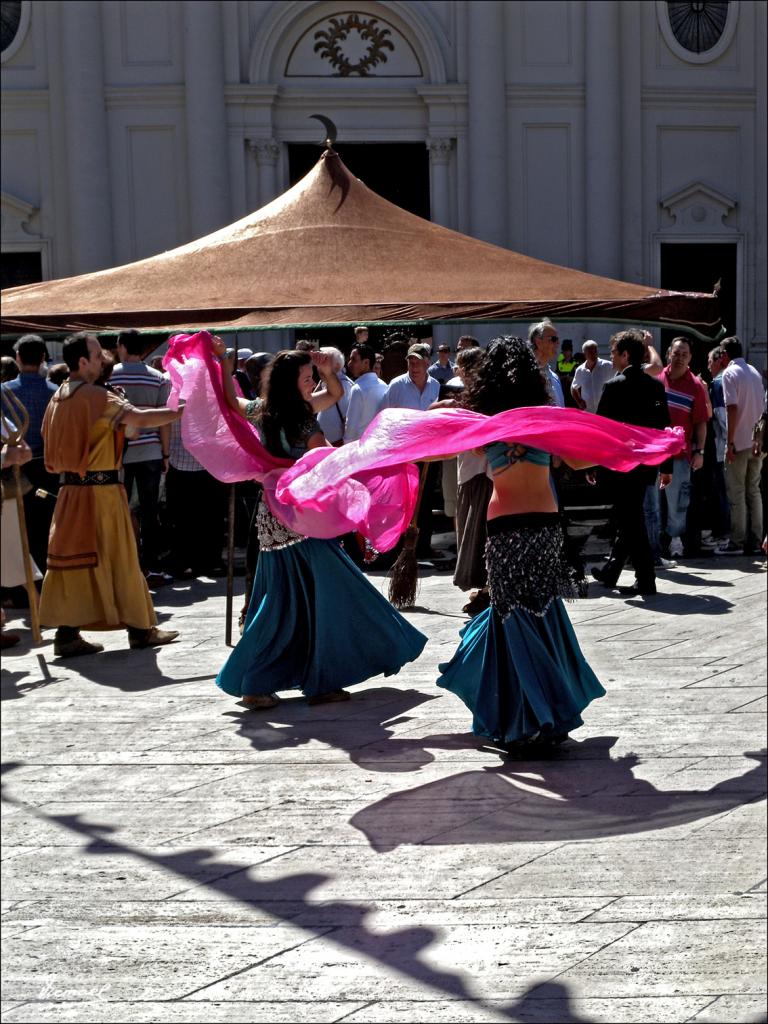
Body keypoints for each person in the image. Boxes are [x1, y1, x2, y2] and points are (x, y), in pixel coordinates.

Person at [215, 343, 427, 708]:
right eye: (306, 379)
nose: (312, 384)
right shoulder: (303, 418)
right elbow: (327, 454)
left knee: (279, 600)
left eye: (312, 378)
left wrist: (221, 362)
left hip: (271, 517)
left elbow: (232, 403)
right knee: (334, 597)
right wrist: (367, 458)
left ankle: (259, 682)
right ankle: (320, 680)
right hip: (302, 518)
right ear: (291, 383)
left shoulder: (264, 410)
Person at [437, 337, 604, 752]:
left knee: (512, 615)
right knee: (540, 611)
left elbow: (435, 441)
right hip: (543, 525)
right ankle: (546, 713)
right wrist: (606, 443)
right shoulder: (545, 421)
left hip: (506, 528)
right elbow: (585, 460)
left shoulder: (483, 424)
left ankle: (526, 717)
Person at [38, 332, 182, 657]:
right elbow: (141, 419)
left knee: (75, 561)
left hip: (70, 494)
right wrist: (179, 411)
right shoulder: (96, 397)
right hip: (101, 494)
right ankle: (141, 630)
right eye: (96, 354)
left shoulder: (58, 395)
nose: (104, 359)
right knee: (122, 557)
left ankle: (67, 633)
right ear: (82, 362)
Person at [592, 330, 673, 596]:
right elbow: (664, 430)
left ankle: (646, 578)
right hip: (647, 464)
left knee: (631, 520)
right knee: (631, 516)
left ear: (625, 354)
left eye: (614, 352)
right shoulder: (656, 387)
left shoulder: (614, 386)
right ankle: (614, 571)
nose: (611, 357)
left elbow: (601, 431)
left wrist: (593, 464)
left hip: (621, 466)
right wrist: (667, 466)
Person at [110, 328, 172, 584]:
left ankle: (125, 566)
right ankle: (152, 567)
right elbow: (165, 420)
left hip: (119, 454)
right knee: (150, 511)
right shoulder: (158, 377)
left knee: (120, 511)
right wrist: (165, 453)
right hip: (151, 452)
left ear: (122, 346)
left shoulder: (110, 376)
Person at [2, 334, 59, 570]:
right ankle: (44, 583)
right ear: (44, 358)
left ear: (18, 358)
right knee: (46, 526)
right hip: (47, 468)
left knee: (17, 528)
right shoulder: (56, 392)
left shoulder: (4, 391)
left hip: (14, 468)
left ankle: (21, 588)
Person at [381, 344, 441, 559]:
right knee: (405, 499)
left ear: (427, 363)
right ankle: (400, 546)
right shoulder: (397, 385)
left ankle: (423, 545)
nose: (413, 365)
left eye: (417, 361)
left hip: (430, 451)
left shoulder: (435, 386)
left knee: (425, 500)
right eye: (410, 361)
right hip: (404, 451)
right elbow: (385, 417)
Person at [658, 337, 710, 558]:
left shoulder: (696, 386)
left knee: (678, 500)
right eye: (676, 353)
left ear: (690, 358)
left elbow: (701, 423)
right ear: (669, 353)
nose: (679, 358)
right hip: (656, 452)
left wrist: (700, 452)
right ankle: (657, 541)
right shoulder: (658, 380)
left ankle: (676, 539)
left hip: (680, 454)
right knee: (655, 501)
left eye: (684, 354)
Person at [716, 336, 765, 555]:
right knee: (753, 491)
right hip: (757, 442)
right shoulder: (754, 372)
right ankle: (755, 540)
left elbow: (732, 408)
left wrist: (730, 442)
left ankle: (737, 540)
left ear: (724, 355)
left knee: (736, 492)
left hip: (740, 441)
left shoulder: (729, 373)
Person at [344, 343, 388, 442]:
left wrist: (346, 446)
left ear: (366, 363)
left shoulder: (358, 389)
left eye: (354, 360)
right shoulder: (384, 386)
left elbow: (351, 426)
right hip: (379, 443)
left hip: (360, 446)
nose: (349, 363)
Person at [315, 347, 353, 446]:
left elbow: (347, 418)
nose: (319, 367)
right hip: (327, 442)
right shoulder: (325, 383)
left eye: (325, 362)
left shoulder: (344, 384)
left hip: (338, 444)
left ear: (337, 366)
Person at [571, 341, 614, 413]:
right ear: (584, 354)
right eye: (590, 352)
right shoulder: (580, 370)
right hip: (589, 413)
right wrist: (579, 401)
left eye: (595, 351)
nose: (594, 354)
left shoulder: (608, 366)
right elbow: (573, 388)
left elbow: (620, 379)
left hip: (606, 412)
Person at [528, 320, 564, 406]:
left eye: (557, 339)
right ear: (538, 342)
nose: (558, 343)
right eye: (553, 339)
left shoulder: (554, 377)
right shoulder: (525, 374)